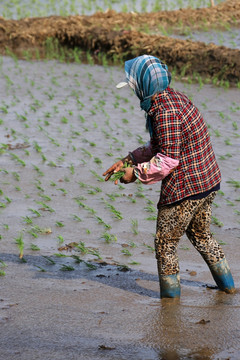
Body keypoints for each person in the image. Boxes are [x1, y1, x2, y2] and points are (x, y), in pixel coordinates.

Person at [103, 54, 235, 298]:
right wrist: (129, 159)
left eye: (134, 86)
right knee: (201, 235)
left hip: (187, 187)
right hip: (206, 182)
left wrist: (135, 174)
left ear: (145, 85)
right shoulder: (173, 97)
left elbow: (167, 160)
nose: (134, 92)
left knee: (165, 244)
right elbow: (161, 145)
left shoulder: (164, 112)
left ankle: (170, 303)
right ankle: (228, 287)